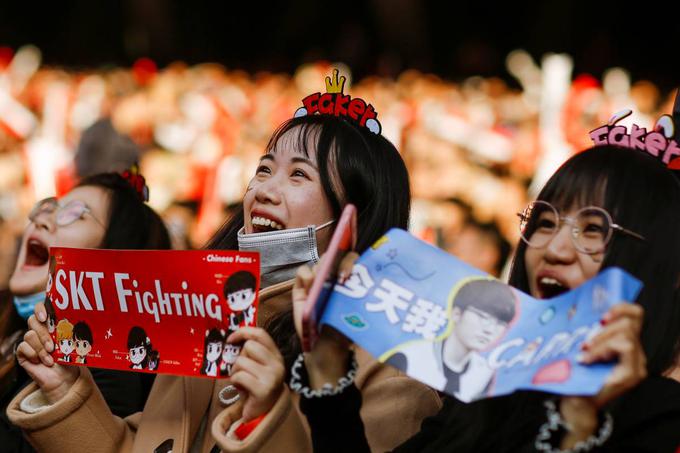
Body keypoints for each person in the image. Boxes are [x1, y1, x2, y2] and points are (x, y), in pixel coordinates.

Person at [7, 113, 441, 452]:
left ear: (354, 219)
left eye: (299, 175)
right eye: (265, 169)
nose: (263, 191)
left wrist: (269, 421)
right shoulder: (202, 317)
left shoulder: (394, 363)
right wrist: (68, 393)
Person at [294, 145, 680, 452]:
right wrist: (327, 366)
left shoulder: (661, 416)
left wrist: (583, 426)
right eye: (545, 222)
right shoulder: (486, 391)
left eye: (593, 230)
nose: (555, 249)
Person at [0, 171, 171, 452]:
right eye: (50, 207)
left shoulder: (103, 369)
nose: (41, 220)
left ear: (113, 259)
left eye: (75, 215)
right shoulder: (8, 316)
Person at [386, 278, 516, 402]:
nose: (490, 329)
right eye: (484, 317)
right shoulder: (409, 357)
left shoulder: (484, 374)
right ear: (456, 314)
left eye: (500, 323)